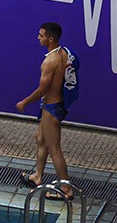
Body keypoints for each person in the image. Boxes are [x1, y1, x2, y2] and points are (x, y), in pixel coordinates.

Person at [16, 22, 75, 200]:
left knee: (54, 148)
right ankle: (37, 176)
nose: (38, 38)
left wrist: (25, 102)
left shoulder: (50, 61)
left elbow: (43, 89)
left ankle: (66, 189)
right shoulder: (64, 53)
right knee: (40, 139)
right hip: (57, 104)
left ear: (50, 39)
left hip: (51, 108)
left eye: (41, 35)